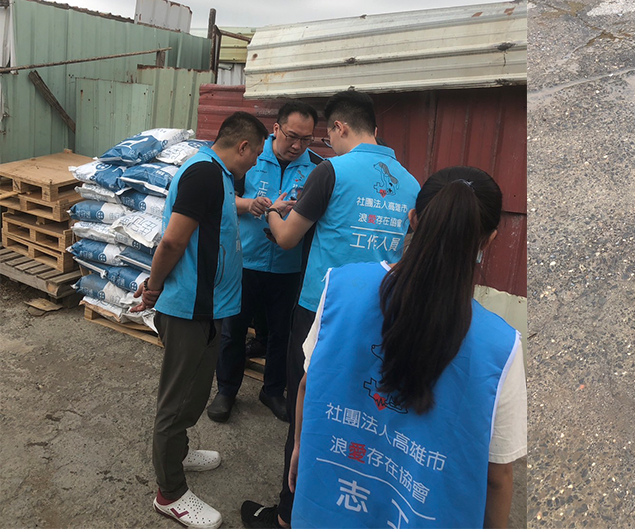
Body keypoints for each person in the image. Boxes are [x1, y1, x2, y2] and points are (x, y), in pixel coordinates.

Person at [288, 167, 527, 528]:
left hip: (332, 502)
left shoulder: (341, 286)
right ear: (488, 240)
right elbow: (496, 475)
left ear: (412, 219)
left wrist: (300, 450)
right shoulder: (501, 346)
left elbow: (310, 384)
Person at [240, 90, 419, 529]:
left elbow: (286, 239)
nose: (327, 145)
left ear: (339, 127)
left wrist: (270, 213)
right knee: (357, 415)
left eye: (328, 135)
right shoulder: (412, 184)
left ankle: (287, 514)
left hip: (324, 309)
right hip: (382, 313)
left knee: (309, 412)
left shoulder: (331, 173)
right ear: (375, 129)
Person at [130, 112, 268, 529]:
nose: (254, 164)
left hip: (209, 307)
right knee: (175, 402)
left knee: (194, 392)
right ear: (242, 146)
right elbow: (173, 239)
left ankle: (181, 452)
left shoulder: (219, 175)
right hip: (189, 307)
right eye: (255, 155)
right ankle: (169, 493)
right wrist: (152, 287)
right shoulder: (205, 174)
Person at [208, 101, 322, 423]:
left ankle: (273, 390)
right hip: (245, 262)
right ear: (276, 130)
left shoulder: (317, 169)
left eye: (306, 139)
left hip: (288, 268)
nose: (297, 145)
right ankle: (226, 390)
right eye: (291, 136)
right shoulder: (251, 159)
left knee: (281, 335)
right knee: (234, 329)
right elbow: (222, 195)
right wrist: (248, 204)